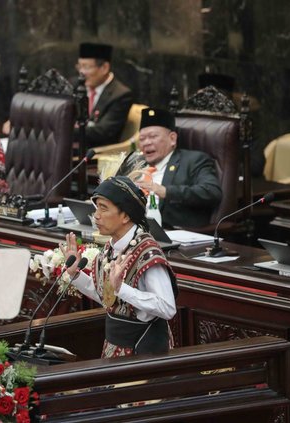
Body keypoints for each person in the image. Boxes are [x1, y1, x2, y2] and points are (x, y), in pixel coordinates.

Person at [60, 176, 177, 358]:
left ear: (126, 215)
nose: (96, 215)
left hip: (146, 352)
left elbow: (167, 308)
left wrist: (122, 289)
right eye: (96, 207)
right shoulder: (110, 248)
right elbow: (108, 298)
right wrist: (76, 273)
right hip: (115, 348)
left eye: (104, 208)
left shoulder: (146, 252)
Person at [117, 108, 222, 229]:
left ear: (172, 138)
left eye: (153, 136)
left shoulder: (194, 160)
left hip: (172, 231)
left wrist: (165, 191)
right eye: (142, 139)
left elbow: (212, 192)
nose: (146, 143)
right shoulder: (136, 163)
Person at [75, 42, 133, 147]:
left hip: (96, 152)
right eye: (79, 67)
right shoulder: (75, 85)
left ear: (104, 68)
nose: (81, 72)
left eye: (86, 67)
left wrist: (66, 131)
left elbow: (103, 132)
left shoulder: (120, 95)